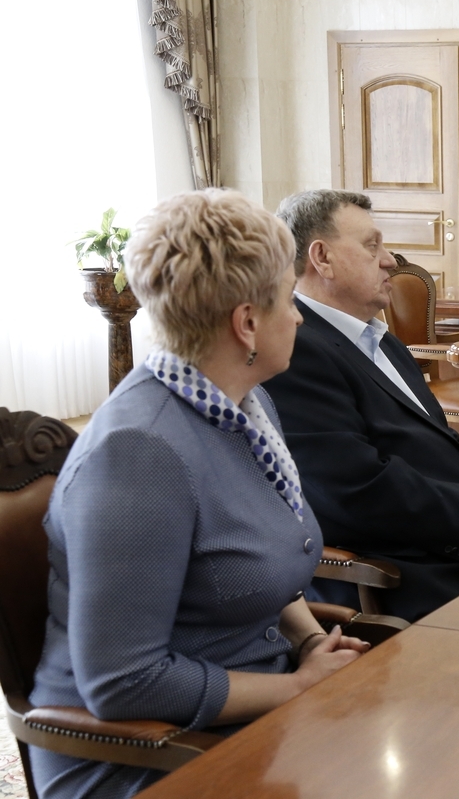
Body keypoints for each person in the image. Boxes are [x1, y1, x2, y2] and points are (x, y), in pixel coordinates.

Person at [29, 190, 369, 799]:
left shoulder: (245, 403)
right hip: (147, 758)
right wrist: (298, 687)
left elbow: (255, 564)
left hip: (252, 713)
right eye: (289, 299)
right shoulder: (138, 455)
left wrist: (310, 640)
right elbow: (125, 683)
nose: (296, 317)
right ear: (246, 323)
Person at [263, 189, 459, 622]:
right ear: (322, 257)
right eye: (372, 246)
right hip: (400, 581)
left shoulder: (382, 340)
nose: (390, 260)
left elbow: (441, 446)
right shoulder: (296, 350)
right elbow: (357, 491)